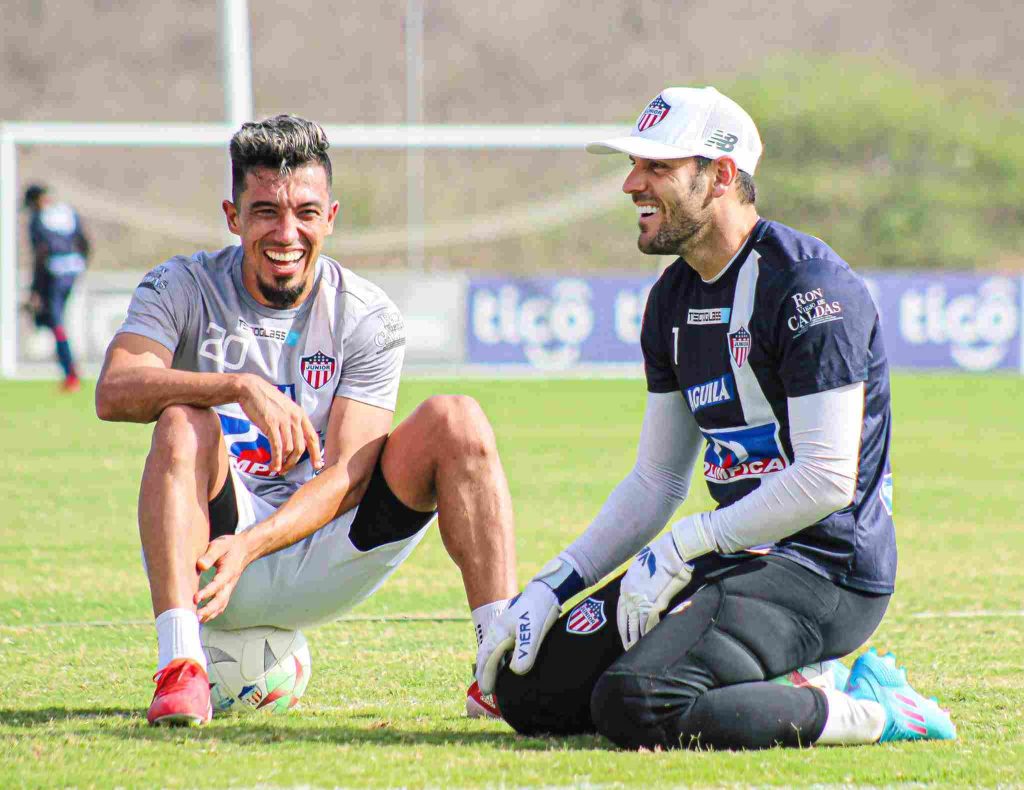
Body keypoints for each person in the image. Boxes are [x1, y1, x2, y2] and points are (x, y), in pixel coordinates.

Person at [476, 87, 956, 750]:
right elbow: (655, 482)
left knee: (636, 703)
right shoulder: (669, 298)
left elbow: (824, 480)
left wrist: (682, 546)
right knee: (527, 692)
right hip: (731, 554)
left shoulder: (810, 288)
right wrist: (551, 584)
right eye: (634, 165)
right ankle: (763, 673)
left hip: (826, 569)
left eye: (657, 168)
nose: (630, 184)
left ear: (722, 176)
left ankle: (869, 706)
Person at [95, 115, 517, 726]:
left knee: (458, 419)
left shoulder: (366, 314)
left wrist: (253, 546)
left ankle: (498, 669)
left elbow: (348, 474)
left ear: (332, 217)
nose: (286, 232)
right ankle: (181, 670)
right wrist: (239, 385)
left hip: (328, 550)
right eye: (265, 211)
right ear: (233, 215)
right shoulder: (180, 285)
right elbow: (113, 390)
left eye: (306, 212)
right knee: (182, 420)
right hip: (207, 558)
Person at [24, 184, 90, 391]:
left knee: (55, 320)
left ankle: (71, 373)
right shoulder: (68, 212)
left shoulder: (38, 218)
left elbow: (41, 253)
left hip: (53, 274)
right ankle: (69, 369)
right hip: (73, 270)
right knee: (55, 319)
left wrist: (34, 288)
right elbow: (85, 243)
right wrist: (81, 265)